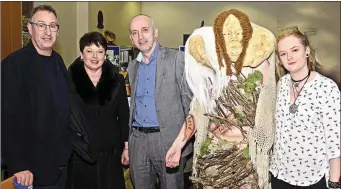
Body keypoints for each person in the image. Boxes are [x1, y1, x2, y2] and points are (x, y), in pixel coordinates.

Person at [184, 9, 277, 188]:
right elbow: (197, 112)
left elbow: (267, 114)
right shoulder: (214, 70)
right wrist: (177, 145)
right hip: (213, 157)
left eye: (238, 33)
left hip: (245, 157)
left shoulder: (261, 66)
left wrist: (244, 133)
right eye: (227, 33)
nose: (233, 38)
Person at [1, 5, 74, 189]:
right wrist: (19, 166)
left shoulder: (58, 61)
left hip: (60, 166)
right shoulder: (14, 64)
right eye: (41, 25)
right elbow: (6, 120)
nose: (47, 31)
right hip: (31, 172)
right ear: (30, 28)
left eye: (52, 26)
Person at [127, 14, 194, 189]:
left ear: (155, 32)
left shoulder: (177, 59)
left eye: (145, 30)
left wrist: (183, 144)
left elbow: (191, 108)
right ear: (131, 39)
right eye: (135, 33)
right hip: (138, 141)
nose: (140, 37)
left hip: (168, 141)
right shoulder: (132, 67)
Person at [269, 27, 340, 189]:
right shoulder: (282, 84)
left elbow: (335, 143)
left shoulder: (326, 88)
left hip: (311, 178)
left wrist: (334, 182)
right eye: (283, 53)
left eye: (295, 50)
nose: (289, 57)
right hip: (280, 174)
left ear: (306, 51)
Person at [66, 31, 129, 189]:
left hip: (110, 152)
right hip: (80, 152)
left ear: (105, 55)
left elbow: (123, 115)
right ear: (81, 54)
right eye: (89, 51)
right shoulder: (68, 80)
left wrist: (127, 148)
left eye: (99, 51)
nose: (95, 56)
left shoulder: (117, 80)